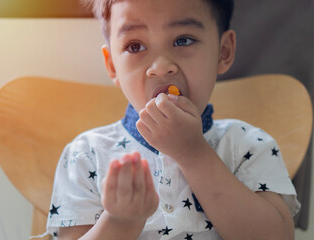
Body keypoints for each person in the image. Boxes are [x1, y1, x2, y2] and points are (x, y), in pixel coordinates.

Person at [46, 0, 300, 239]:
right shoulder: (86, 154)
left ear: (223, 52)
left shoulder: (249, 145)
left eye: (183, 40)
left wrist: (193, 153)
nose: (160, 66)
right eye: (135, 46)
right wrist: (119, 222)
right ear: (112, 65)